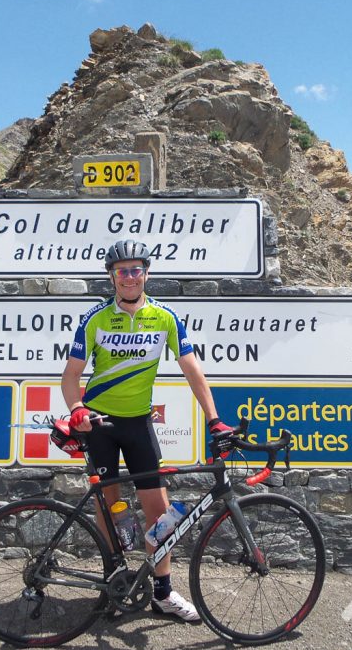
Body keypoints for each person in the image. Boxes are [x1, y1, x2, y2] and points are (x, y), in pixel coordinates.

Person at [60, 239, 234, 623]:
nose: (129, 276)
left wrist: (213, 418)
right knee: (109, 505)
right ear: (111, 276)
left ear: (147, 273)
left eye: (136, 269)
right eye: (122, 270)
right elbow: (71, 376)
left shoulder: (165, 317)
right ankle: (113, 580)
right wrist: (76, 410)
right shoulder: (96, 318)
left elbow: (192, 369)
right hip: (101, 425)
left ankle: (162, 592)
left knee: (159, 510)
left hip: (139, 423)